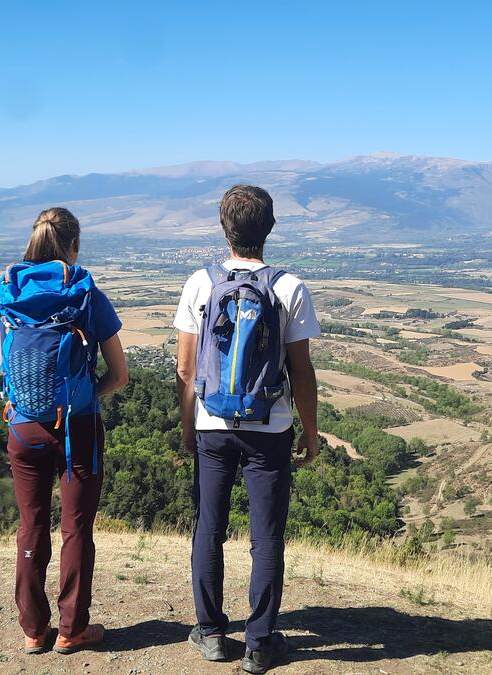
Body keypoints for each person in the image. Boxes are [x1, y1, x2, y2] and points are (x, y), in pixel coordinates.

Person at [174, 185, 321, 673]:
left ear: (224, 227)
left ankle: (213, 634)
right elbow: (301, 371)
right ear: (270, 227)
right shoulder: (288, 287)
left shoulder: (200, 283)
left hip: (212, 425)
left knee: (209, 529)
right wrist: (311, 430)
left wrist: (187, 428)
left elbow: (185, 368)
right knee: (266, 537)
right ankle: (259, 645)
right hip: (270, 427)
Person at [0, 207, 128, 655]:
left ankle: (34, 630)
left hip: (23, 428)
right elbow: (120, 374)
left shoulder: (10, 292)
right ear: (74, 245)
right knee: (76, 529)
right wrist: (87, 397)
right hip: (79, 429)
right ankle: (72, 629)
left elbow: (3, 367)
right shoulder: (85, 293)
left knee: (31, 526)